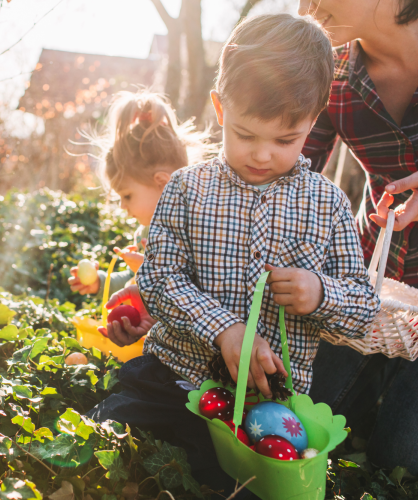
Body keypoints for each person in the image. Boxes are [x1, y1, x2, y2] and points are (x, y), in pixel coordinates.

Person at [88, 14, 381, 494]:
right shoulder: (186, 188)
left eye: (285, 140)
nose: (262, 154)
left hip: (266, 412)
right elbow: (159, 278)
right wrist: (225, 329)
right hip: (172, 378)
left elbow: (363, 310)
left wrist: (319, 293)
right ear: (220, 109)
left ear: (315, 118)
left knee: (233, 483)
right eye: (246, 134)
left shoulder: (327, 204)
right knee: (110, 442)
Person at [300, 0, 418, 476]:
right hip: (374, 292)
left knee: (411, 461)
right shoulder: (330, 70)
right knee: (299, 421)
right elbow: (283, 171)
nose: (305, 7)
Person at [66, 91, 212, 307]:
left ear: (163, 183)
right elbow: (131, 282)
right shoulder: (145, 233)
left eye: (127, 195)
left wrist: (150, 272)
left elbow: (207, 290)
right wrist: (100, 283)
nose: (123, 206)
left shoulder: (202, 227)